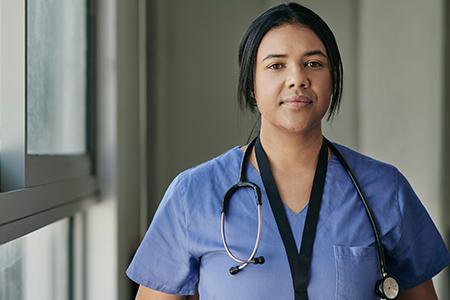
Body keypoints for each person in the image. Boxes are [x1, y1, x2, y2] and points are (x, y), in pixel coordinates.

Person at [127, 3, 450, 299]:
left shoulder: (383, 188)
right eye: (276, 65)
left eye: (313, 63)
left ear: (333, 79)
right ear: (250, 83)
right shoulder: (194, 193)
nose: (297, 79)